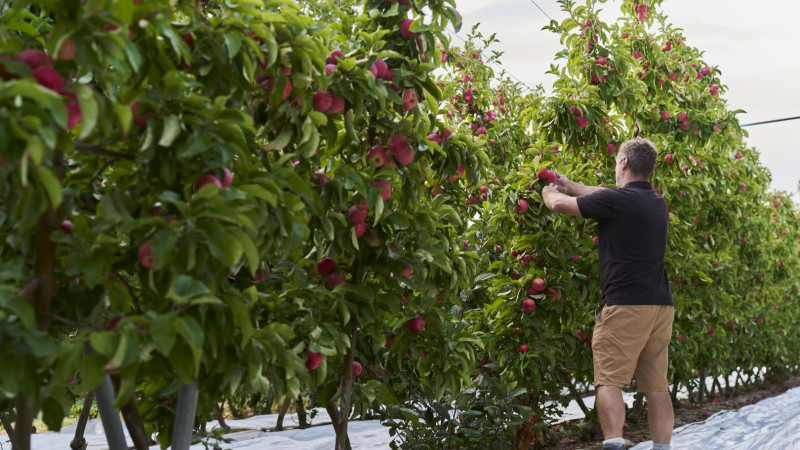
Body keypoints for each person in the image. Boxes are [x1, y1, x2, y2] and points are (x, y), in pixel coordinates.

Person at [541, 137, 675, 450]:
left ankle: (614, 445)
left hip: (625, 305)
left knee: (609, 380)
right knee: (657, 386)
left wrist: (550, 193)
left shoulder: (617, 201)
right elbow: (604, 195)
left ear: (624, 163)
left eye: (616, 162)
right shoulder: (656, 202)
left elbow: (561, 206)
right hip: (660, 307)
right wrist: (572, 185)